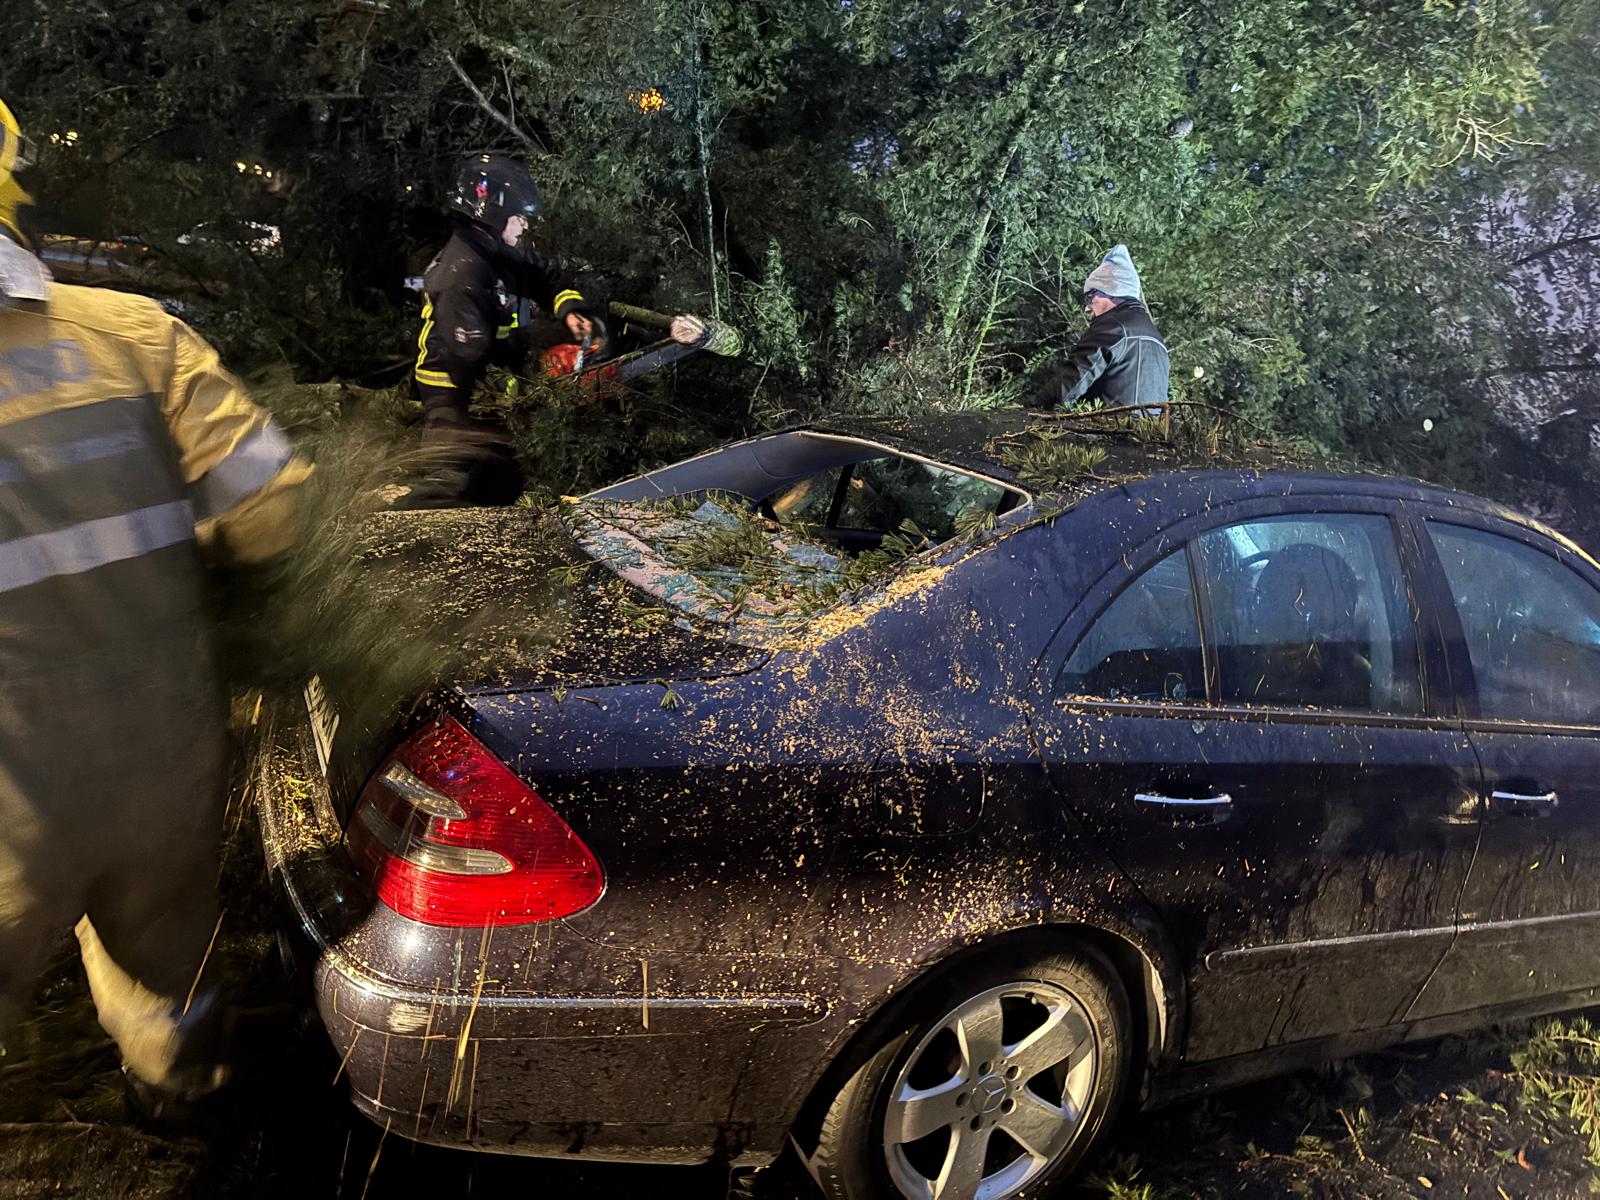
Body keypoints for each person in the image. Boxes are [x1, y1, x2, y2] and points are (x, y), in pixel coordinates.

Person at [0, 99, 311, 1123]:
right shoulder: (136, 335)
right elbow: (277, 507)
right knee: (169, 947)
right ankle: (177, 1093)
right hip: (159, 757)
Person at [400, 153, 706, 507]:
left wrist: (571, 311)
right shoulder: (462, 274)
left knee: (503, 484)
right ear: (494, 215)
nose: (524, 226)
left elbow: (546, 275)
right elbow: (471, 359)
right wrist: (545, 373)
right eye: (518, 218)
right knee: (455, 486)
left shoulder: (497, 251)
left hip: (490, 389)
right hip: (456, 397)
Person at [1028, 243, 1171, 417]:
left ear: (1111, 291)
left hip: (1110, 434)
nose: (1087, 308)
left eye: (1090, 297)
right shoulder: (1155, 336)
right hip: (1148, 437)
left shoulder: (1113, 326)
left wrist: (1033, 409)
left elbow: (1073, 379)